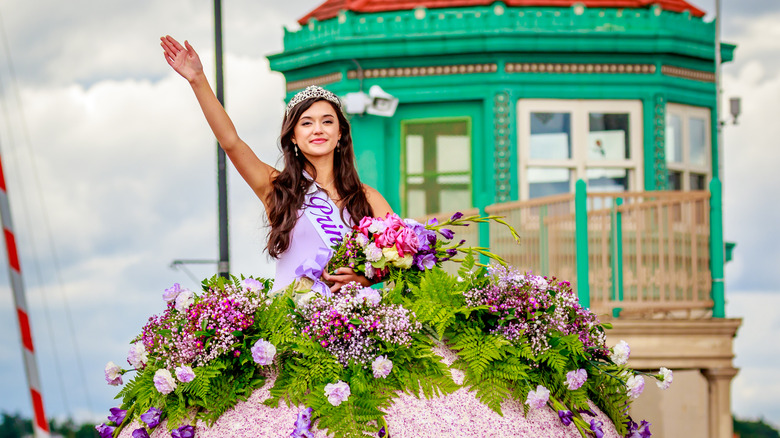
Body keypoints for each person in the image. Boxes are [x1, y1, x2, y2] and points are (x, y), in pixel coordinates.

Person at [159, 35, 392, 293]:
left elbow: (405, 256)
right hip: (290, 326)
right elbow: (231, 142)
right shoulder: (277, 188)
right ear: (293, 135)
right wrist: (198, 80)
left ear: (340, 134)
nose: (318, 129)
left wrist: (365, 279)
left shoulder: (366, 197)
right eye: (306, 123)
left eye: (327, 121)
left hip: (352, 325)